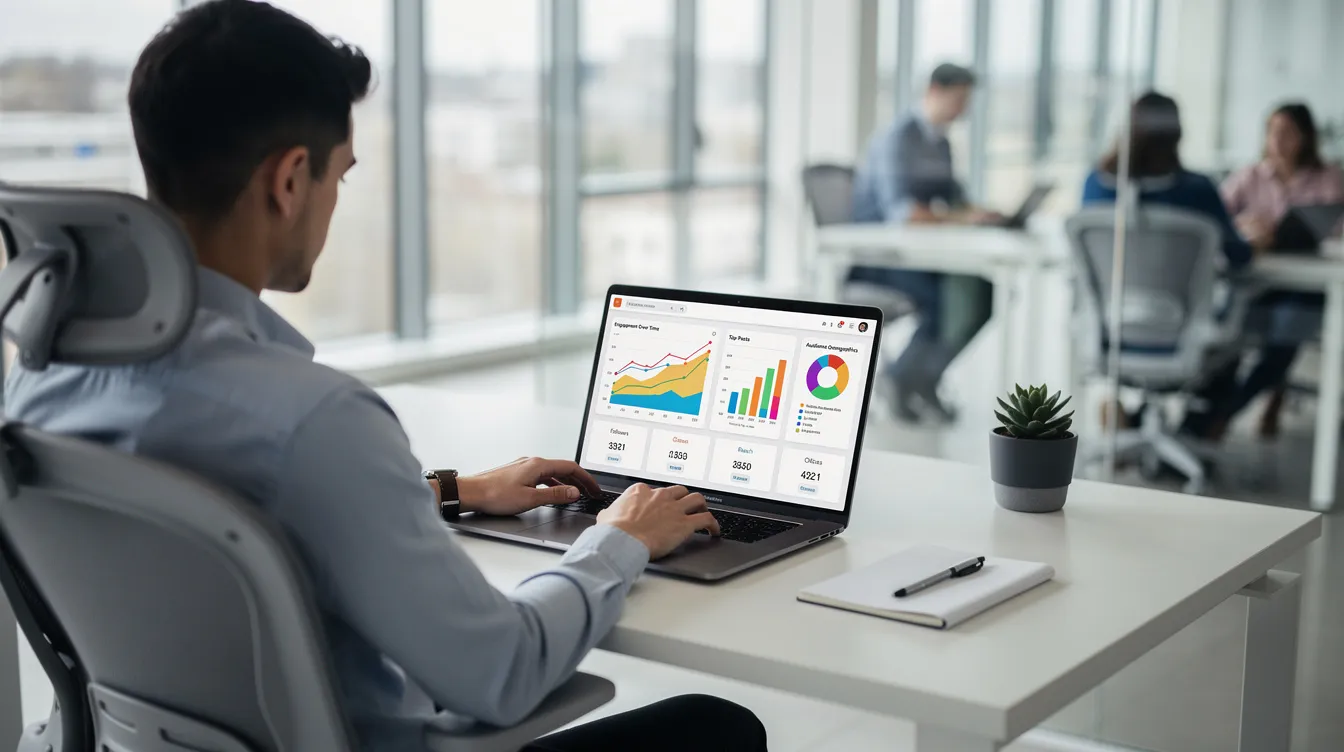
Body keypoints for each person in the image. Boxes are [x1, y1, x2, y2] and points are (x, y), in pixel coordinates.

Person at [2, 3, 767, 751]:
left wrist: (451, 491)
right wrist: (617, 540)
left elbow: (244, 515)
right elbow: (504, 669)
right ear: (290, 180)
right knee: (718, 726)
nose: (335, 200)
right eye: (342, 173)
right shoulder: (313, 420)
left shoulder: (39, 385)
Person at [1081, 92, 1253, 438]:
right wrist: (1255, 240)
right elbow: (1239, 258)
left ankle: (1138, 414)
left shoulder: (1095, 185)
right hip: (1180, 332)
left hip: (1113, 329)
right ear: (1178, 134)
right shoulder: (1197, 190)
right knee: (1243, 330)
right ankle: (1196, 428)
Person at [849, 62, 1000, 424]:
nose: (963, 108)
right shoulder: (897, 138)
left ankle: (922, 377)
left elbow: (954, 200)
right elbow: (903, 213)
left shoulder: (941, 143)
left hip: (917, 256)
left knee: (982, 293)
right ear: (935, 91)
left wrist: (983, 213)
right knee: (944, 300)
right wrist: (962, 218)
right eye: (959, 98)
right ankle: (904, 379)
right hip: (879, 258)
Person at [1214, 103, 1344, 438]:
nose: (1279, 140)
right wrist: (1246, 226)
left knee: (1285, 332)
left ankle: (1226, 414)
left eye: (1288, 132)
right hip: (1259, 280)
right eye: (1273, 131)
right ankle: (1224, 406)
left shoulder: (1329, 178)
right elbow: (1217, 219)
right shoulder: (1250, 175)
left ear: (1305, 137)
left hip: (1308, 282)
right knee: (1232, 334)